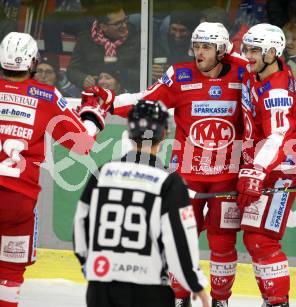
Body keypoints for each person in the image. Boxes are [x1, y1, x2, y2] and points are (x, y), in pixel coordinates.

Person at [0, 32, 112, 307]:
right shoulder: (47, 96)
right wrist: (94, 110)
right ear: (33, 62)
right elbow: (83, 143)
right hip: (18, 203)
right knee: (9, 276)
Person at [90, 22, 247, 307]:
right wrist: (112, 102)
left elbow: (270, 91)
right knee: (177, 236)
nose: (199, 53)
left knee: (222, 242)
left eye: (207, 47)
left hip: (228, 175)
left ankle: (221, 300)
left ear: (222, 50)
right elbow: (146, 100)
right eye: (197, 46)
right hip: (186, 174)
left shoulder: (242, 73)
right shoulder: (180, 74)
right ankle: (178, 297)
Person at [73, 100, 209, 307]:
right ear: (166, 133)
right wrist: (195, 284)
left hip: (101, 288)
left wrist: (89, 267)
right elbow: (180, 241)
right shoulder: (170, 183)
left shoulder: (102, 173)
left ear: (129, 131)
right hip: (149, 290)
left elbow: (81, 225)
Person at [239, 23, 296, 307]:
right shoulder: (259, 69)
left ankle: (277, 303)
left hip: (281, 167)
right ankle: (273, 301)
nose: (247, 55)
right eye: (246, 48)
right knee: (253, 238)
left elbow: (276, 136)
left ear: (272, 52)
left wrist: (256, 171)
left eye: (254, 50)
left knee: (261, 239)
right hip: (271, 161)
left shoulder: (276, 92)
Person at [66, 2, 140, 92]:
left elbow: (144, 73)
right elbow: (72, 70)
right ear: (103, 27)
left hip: (127, 93)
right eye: (118, 24)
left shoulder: (136, 37)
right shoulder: (85, 39)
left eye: (125, 20)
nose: (124, 25)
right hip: (94, 94)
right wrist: (82, 78)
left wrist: (121, 74)